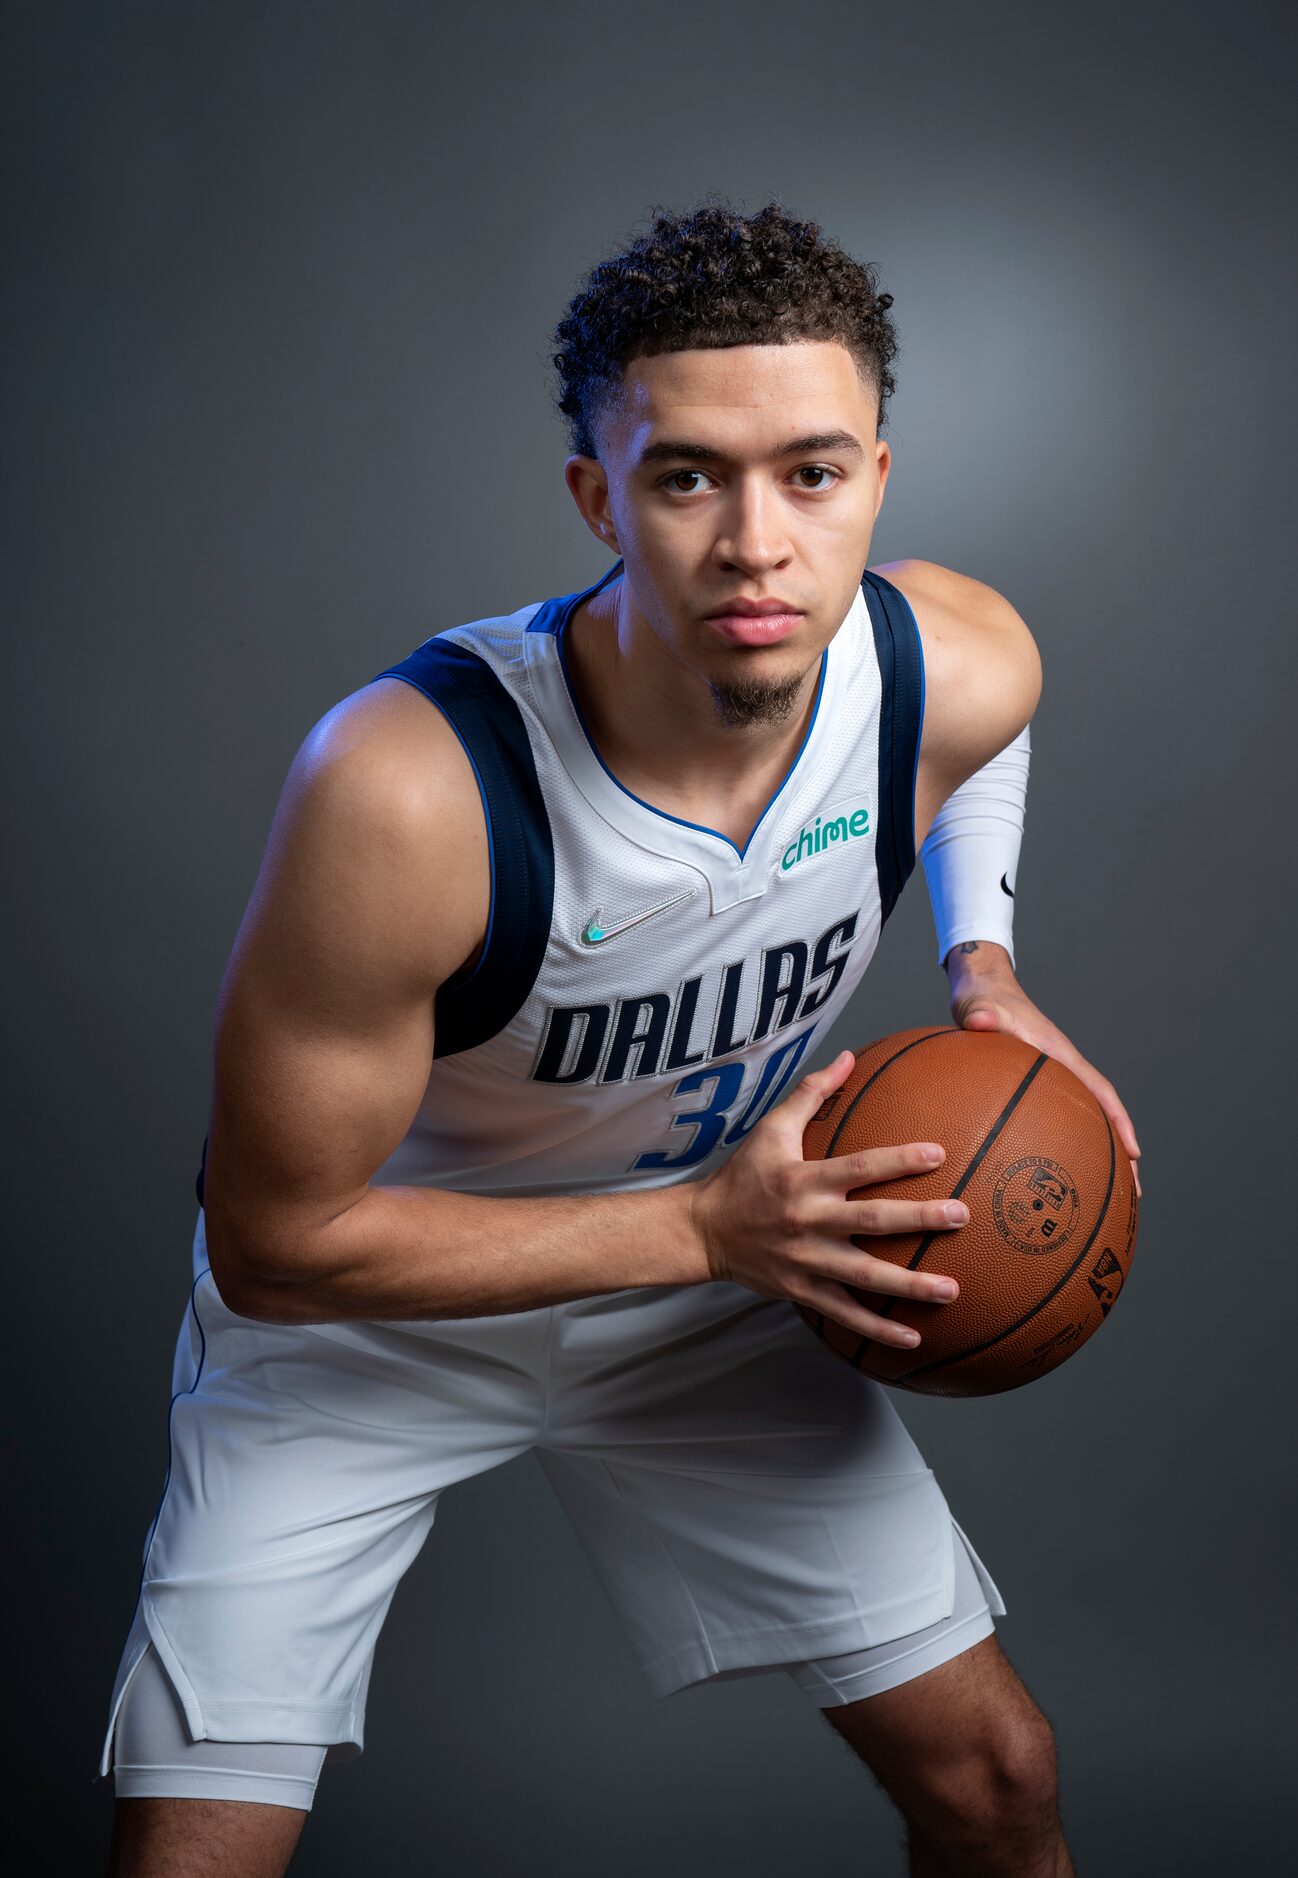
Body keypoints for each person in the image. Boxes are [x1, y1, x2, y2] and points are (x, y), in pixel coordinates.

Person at [100, 200, 1138, 1878]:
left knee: (997, 1779)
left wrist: (984, 964)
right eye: (686, 479)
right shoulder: (411, 790)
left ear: (877, 477)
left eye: (810, 474)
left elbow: (991, 735)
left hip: (711, 1294)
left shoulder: (952, 660)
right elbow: (277, 1242)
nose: (755, 544)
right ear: (600, 497)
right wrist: (702, 1227)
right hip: (378, 1316)